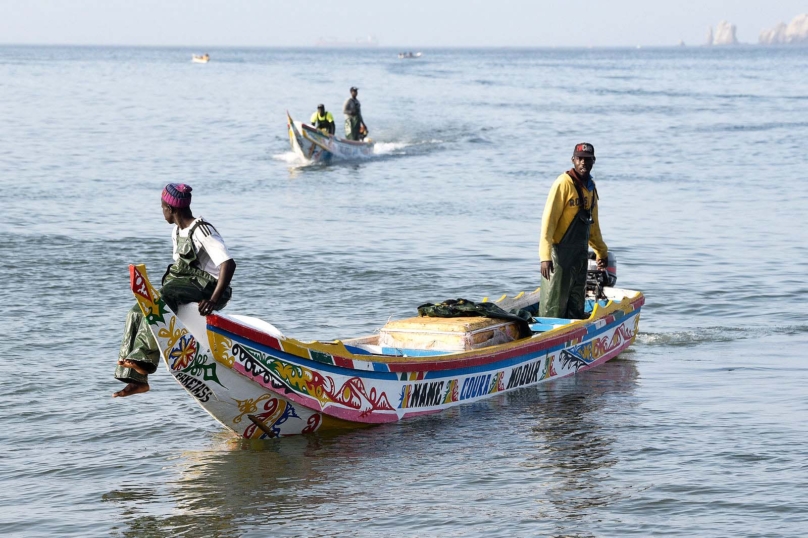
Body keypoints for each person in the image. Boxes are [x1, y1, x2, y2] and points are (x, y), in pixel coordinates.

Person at [113, 183, 236, 397]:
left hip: (209, 287)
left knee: (162, 298)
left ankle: (143, 359)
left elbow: (228, 264)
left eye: (162, 207)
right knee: (137, 310)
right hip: (186, 284)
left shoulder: (202, 230)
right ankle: (135, 379)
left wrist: (214, 300)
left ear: (171, 209)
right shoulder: (176, 232)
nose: (162, 212)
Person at [539, 143, 608, 320]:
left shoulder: (591, 188)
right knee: (553, 307)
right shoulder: (563, 184)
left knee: (576, 306)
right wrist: (545, 257)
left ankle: (577, 335)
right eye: (580, 159)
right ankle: (547, 340)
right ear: (573, 160)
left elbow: (593, 226)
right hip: (559, 258)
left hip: (580, 257)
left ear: (594, 161)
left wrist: (601, 252)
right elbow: (548, 223)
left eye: (587, 159)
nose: (583, 162)